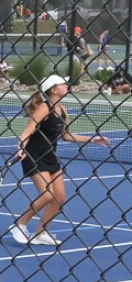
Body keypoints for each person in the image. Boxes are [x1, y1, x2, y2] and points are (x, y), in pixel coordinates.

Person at [8, 75, 109, 247]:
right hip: (33, 155)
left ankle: (41, 232)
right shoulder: (43, 108)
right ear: (54, 89)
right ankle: (20, 224)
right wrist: (21, 148)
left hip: (50, 157)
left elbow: (66, 136)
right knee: (47, 195)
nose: (67, 85)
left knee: (59, 197)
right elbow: (26, 133)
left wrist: (92, 139)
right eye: (63, 84)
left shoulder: (63, 109)